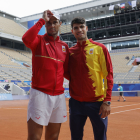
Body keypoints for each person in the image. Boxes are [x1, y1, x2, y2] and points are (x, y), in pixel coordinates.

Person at [22, 10, 69, 140]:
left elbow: (66, 72)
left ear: (60, 24)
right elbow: (26, 38)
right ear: (45, 25)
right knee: (34, 137)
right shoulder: (38, 41)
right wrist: (41, 21)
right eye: (49, 23)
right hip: (40, 94)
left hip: (59, 96)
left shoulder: (64, 46)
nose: (52, 25)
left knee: (53, 136)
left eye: (55, 22)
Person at [68, 17, 113, 140]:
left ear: (86, 28)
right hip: (76, 103)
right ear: (72, 31)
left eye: (82, 26)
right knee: (75, 137)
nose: (79, 30)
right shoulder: (70, 52)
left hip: (97, 103)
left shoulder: (100, 48)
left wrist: (107, 101)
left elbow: (108, 75)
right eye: (76, 28)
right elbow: (68, 74)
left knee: (100, 137)